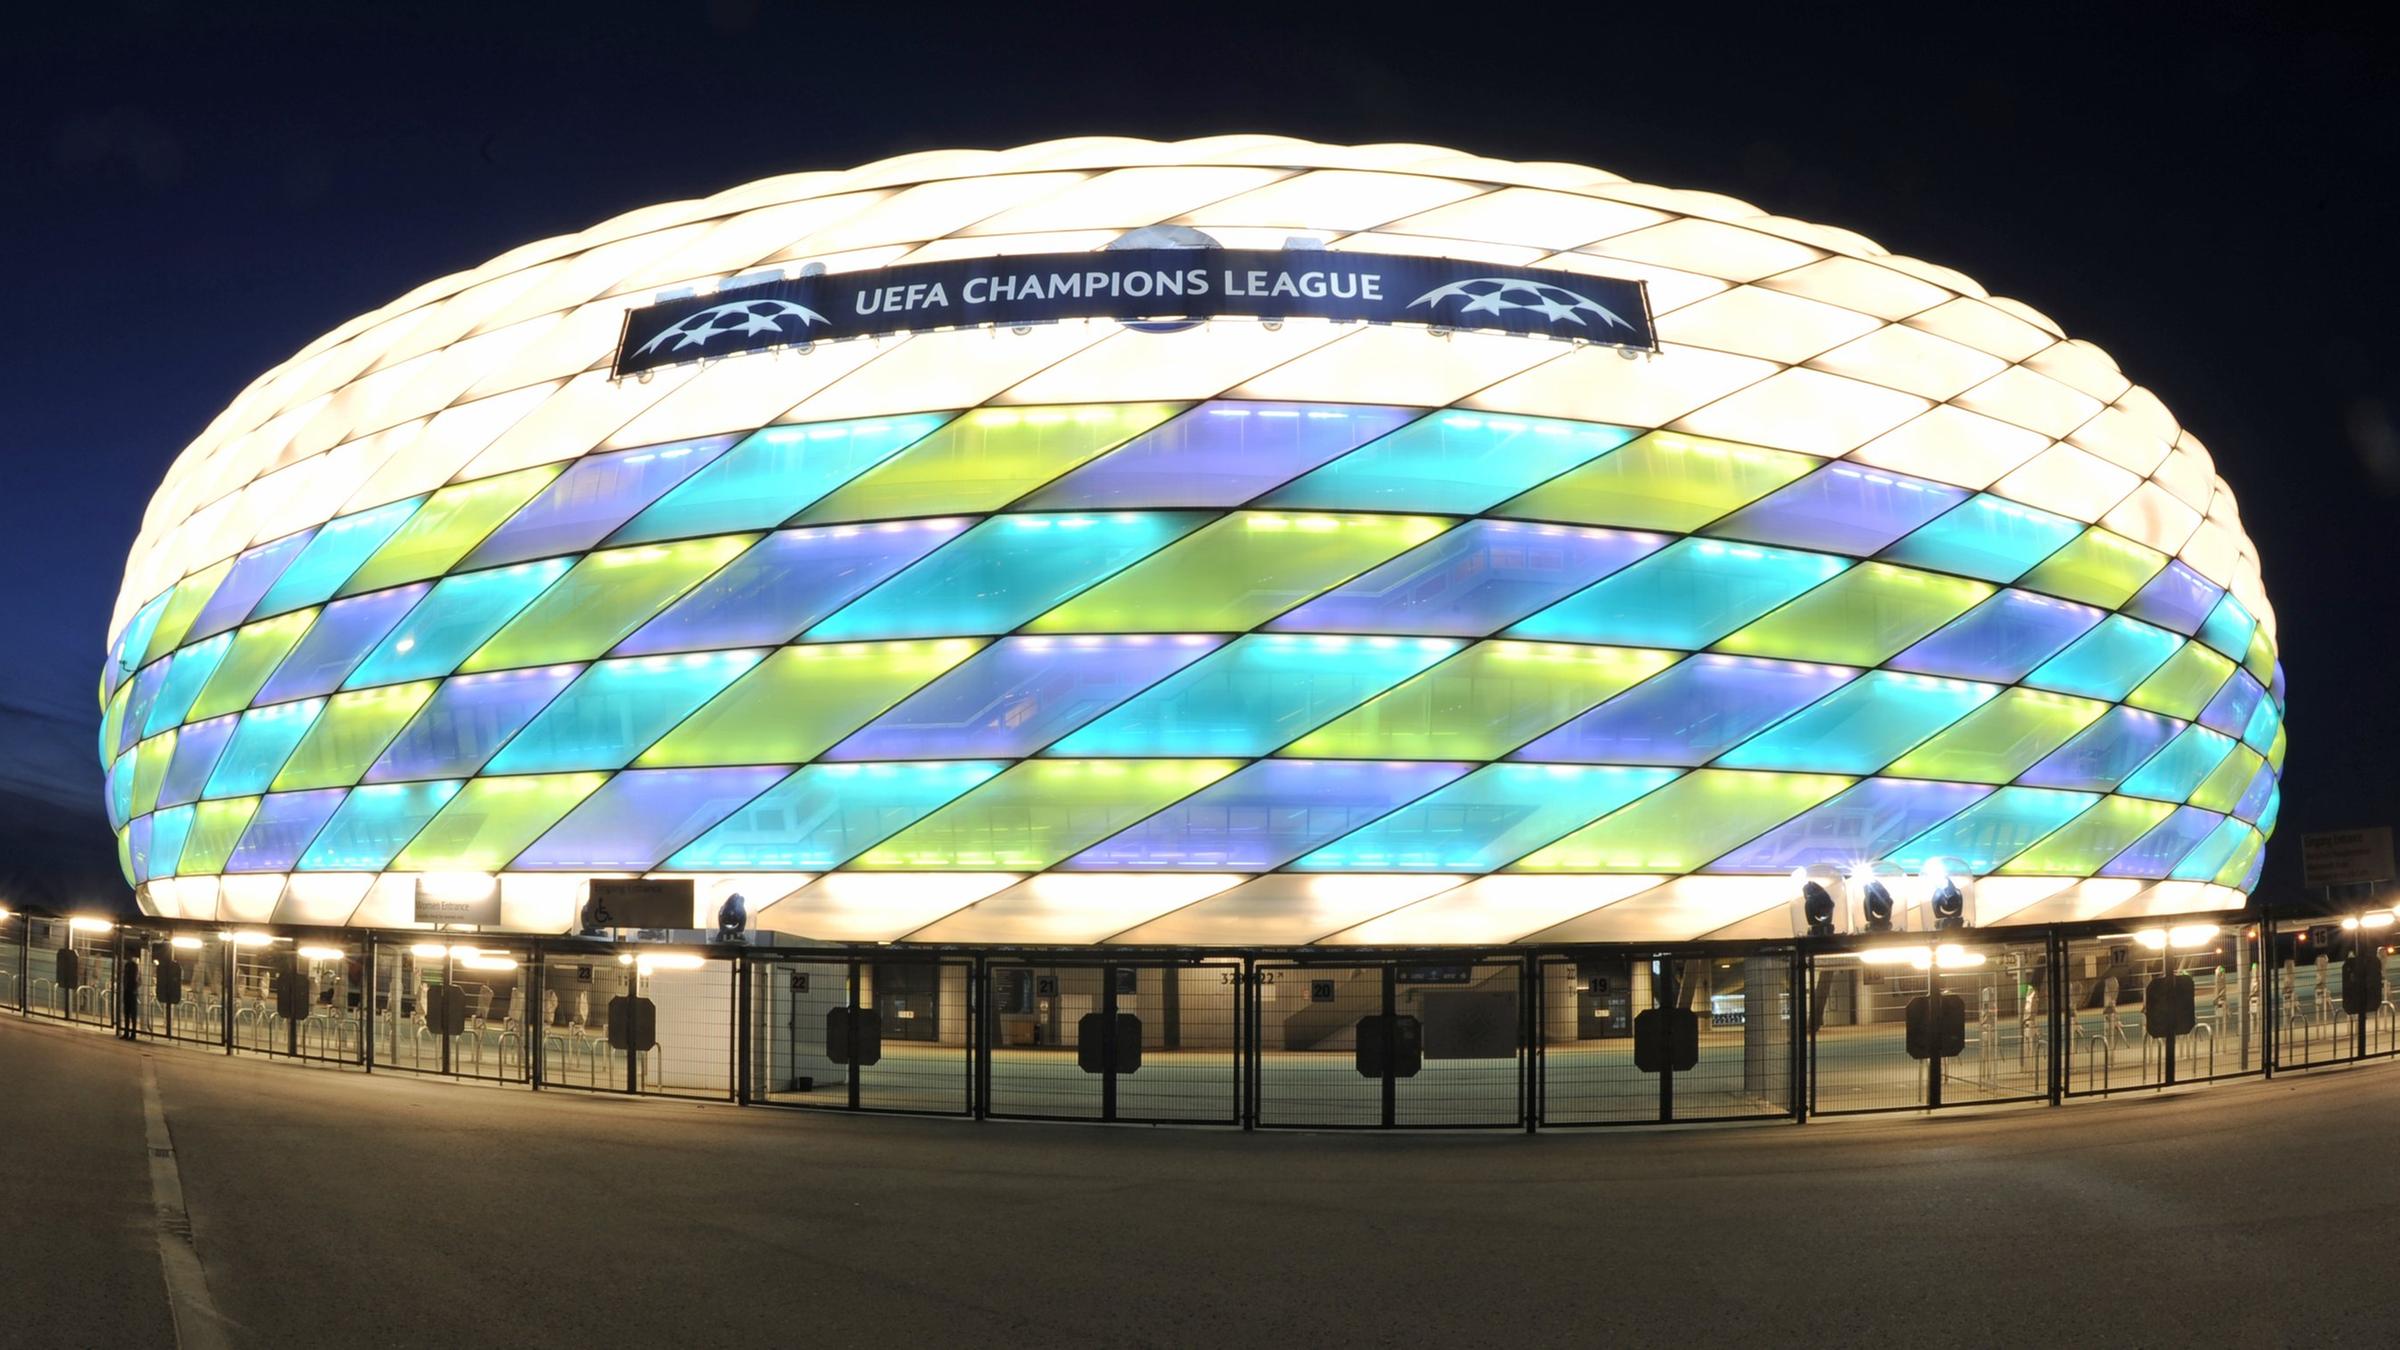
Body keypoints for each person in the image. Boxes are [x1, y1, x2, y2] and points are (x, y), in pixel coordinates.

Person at [119, 956, 142, 1041]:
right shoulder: (132, 966)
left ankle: (129, 1033)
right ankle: (131, 1033)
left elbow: (129, 979)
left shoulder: (129, 966)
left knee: (129, 1013)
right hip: (131, 991)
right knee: (130, 1013)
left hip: (130, 991)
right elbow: (138, 981)